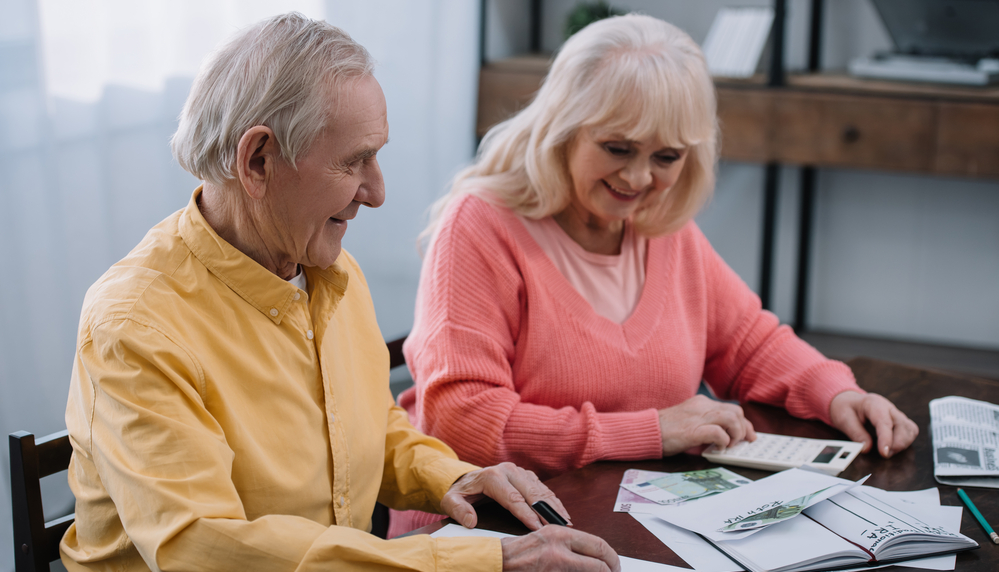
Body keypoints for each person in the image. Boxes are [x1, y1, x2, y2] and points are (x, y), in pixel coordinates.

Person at [60, 13, 621, 572]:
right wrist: (473, 562)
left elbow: (366, 426)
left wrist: (456, 477)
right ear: (258, 160)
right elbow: (202, 547)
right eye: (355, 161)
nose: (376, 192)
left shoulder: (330, 270)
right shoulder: (134, 325)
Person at [391, 14, 919, 536]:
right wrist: (651, 431)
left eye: (666, 157)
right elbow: (461, 420)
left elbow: (748, 343)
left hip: (631, 516)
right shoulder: (481, 225)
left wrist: (836, 393)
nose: (639, 178)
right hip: (485, 528)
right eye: (617, 149)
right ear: (564, 127)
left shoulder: (660, 228)